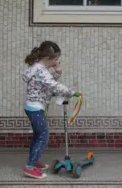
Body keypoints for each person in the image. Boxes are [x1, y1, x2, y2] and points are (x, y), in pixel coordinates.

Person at [22, 40, 80, 179]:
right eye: (55, 59)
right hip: (35, 108)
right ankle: (30, 167)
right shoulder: (41, 70)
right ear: (48, 58)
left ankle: (34, 162)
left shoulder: (37, 67)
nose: (56, 62)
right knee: (43, 136)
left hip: (32, 106)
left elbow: (46, 84)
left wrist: (57, 72)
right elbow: (52, 85)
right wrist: (69, 92)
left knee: (37, 135)